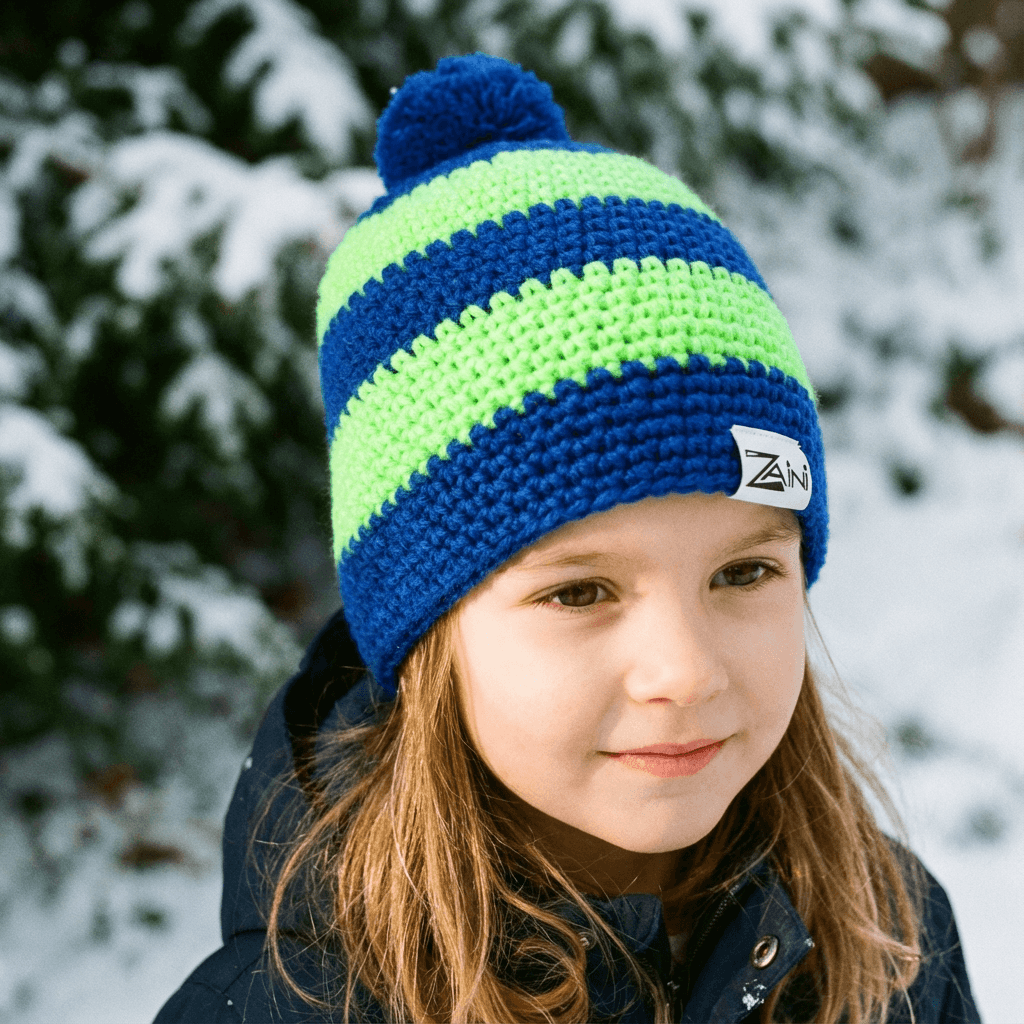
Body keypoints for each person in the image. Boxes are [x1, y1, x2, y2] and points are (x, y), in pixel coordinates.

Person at [154, 53, 980, 1023]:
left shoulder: (885, 933)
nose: (684, 671)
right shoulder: (286, 1006)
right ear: (424, 632)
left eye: (744, 569)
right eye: (580, 591)